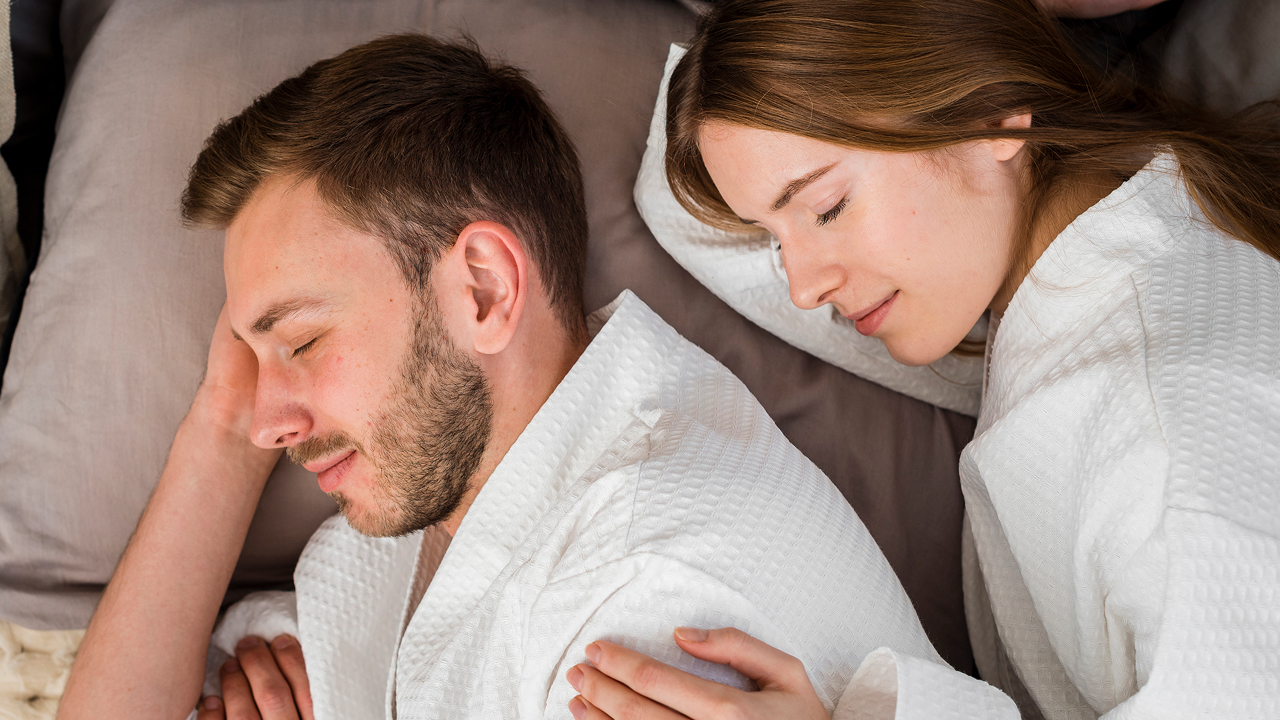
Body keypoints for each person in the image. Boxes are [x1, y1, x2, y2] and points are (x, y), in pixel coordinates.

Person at [55, 33, 959, 720]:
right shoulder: (426, 498)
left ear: (482, 289)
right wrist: (218, 427)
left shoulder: (644, 603)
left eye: (301, 341)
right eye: (251, 360)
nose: (269, 420)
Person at [569, 0, 1280, 718]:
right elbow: (678, 201)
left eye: (826, 207)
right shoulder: (1058, 269)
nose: (803, 287)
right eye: (773, 238)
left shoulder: (1159, 432)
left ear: (993, 109)